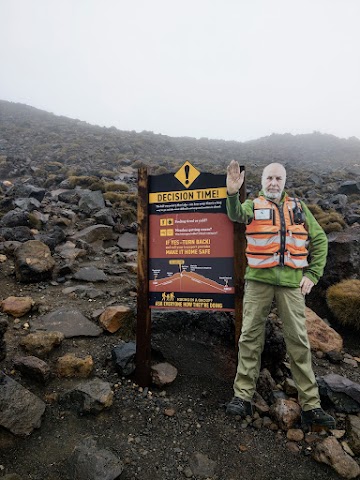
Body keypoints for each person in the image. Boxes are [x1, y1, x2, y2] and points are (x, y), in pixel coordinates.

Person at [225, 160, 335, 431]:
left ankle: (311, 405)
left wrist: (313, 275)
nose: (273, 183)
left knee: (298, 341)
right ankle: (242, 397)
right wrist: (231, 192)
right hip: (258, 282)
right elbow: (236, 214)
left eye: (278, 178)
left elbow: (320, 240)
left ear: (284, 182)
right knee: (250, 336)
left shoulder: (298, 207)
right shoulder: (253, 204)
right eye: (269, 178)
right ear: (263, 181)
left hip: (291, 285)